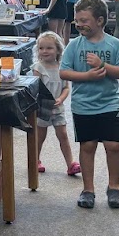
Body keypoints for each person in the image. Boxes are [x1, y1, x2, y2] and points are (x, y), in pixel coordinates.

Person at [60, 0, 119, 210]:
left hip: (109, 103)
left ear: (100, 21)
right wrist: (87, 77)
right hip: (83, 105)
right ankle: (88, 189)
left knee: (113, 146)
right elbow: (63, 72)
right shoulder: (73, 45)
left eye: (84, 20)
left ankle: (114, 186)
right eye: (77, 20)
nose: (79, 24)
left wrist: (103, 66)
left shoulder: (114, 44)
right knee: (88, 146)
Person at [32, 31, 79, 177]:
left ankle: (71, 164)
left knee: (63, 135)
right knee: (40, 136)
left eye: (49, 48)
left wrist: (61, 99)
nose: (45, 51)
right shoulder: (38, 68)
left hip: (58, 108)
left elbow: (66, 87)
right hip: (42, 108)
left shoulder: (62, 67)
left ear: (58, 49)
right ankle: (35, 160)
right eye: (41, 48)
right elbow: (34, 88)